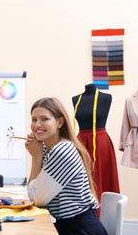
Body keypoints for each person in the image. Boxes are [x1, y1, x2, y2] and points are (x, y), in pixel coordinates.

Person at [25, 97, 107, 234]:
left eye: (44, 119)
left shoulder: (62, 150)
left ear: (60, 122)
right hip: (65, 224)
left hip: (79, 228)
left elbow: (36, 199)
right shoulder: (46, 147)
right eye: (34, 119)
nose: (37, 125)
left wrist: (36, 157)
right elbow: (33, 192)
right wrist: (38, 155)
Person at [72, 84, 120, 209]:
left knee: (103, 179)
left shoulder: (106, 98)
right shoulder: (75, 99)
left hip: (100, 143)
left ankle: (105, 216)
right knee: (82, 180)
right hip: (81, 143)